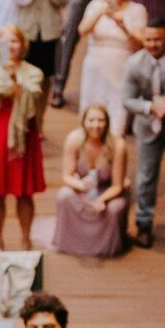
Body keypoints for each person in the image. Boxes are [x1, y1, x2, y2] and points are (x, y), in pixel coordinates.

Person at [0, 24, 46, 250]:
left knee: (23, 192)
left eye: (14, 41)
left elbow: (31, 103)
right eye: (5, 42)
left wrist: (15, 79)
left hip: (22, 134)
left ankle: (25, 238)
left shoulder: (33, 72)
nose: (11, 46)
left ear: (23, 45)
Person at [122, 22, 165, 247]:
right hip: (146, 124)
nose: (153, 44)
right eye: (149, 40)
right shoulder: (134, 63)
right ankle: (143, 223)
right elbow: (127, 100)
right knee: (145, 175)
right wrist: (151, 106)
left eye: (158, 39)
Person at [75, 0, 150, 140]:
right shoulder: (95, 5)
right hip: (95, 64)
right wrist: (101, 11)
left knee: (117, 111)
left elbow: (140, 43)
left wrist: (122, 24)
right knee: (91, 105)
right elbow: (82, 30)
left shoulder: (137, 9)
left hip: (121, 64)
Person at [52, 102, 128, 259]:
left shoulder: (118, 145)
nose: (96, 125)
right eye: (91, 120)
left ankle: (107, 246)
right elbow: (67, 175)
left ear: (107, 123)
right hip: (83, 188)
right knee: (64, 195)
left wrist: (102, 199)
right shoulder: (74, 139)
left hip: (108, 191)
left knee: (115, 208)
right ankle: (71, 242)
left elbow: (118, 185)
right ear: (84, 122)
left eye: (101, 121)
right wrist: (79, 185)